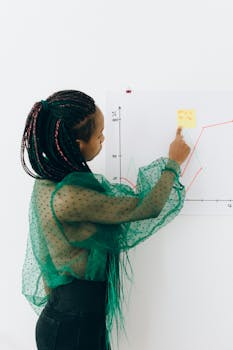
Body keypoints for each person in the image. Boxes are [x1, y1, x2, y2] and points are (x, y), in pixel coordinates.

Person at [20, 89, 191, 350]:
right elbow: (147, 207)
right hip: (73, 326)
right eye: (99, 135)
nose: (103, 139)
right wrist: (173, 163)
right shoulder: (69, 197)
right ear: (77, 145)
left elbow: (45, 256)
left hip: (68, 318)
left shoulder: (47, 182)